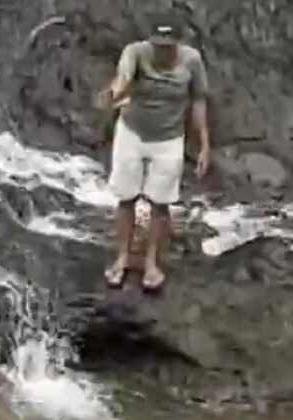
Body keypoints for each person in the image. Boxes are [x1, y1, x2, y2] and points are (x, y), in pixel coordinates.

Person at [98, 13, 212, 292]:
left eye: (167, 44)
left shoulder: (192, 61)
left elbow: (198, 101)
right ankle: (123, 258)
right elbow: (123, 78)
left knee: (160, 205)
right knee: (126, 198)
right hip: (131, 133)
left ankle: (151, 264)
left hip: (169, 139)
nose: (162, 50)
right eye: (157, 43)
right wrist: (113, 94)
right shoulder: (135, 52)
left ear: (178, 42)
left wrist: (204, 144)